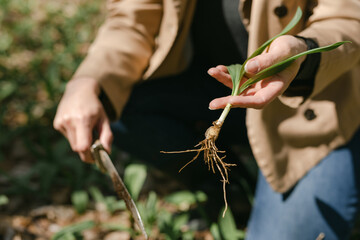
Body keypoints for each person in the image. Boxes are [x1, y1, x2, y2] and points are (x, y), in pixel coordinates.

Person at [53, 0, 360, 239]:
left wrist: (301, 54)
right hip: (208, 91)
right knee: (112, 103)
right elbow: (132, 19)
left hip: (306, 107)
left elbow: (348, 20)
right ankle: (225, 185)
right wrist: (89, 79)